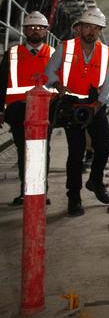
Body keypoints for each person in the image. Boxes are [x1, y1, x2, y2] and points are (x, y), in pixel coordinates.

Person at [45, 7, 109, 217]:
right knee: (75, 154)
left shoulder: (106, 53)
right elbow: (49, 73)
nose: (91, 31)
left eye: (96, 28)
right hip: (71, 105)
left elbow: (108, 83)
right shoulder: (64, 47)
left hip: (94, 105)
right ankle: (74, 196)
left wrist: (97, 106)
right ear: (79, 29)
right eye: (87, 27)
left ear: (100, 31)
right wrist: (58, 86)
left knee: (103, 148)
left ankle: (95, 180)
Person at [0, 11, 53, 205]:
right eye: (31, 27)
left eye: (40, 28)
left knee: (41, 151)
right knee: (24, 151)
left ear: (46, 31)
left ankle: (40, 192)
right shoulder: (12, 53)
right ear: (25, 31)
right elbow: (2, 83)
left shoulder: (53, 54)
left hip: (43, 111)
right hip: (17, 110)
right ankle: (26, 191)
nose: (35, 31)